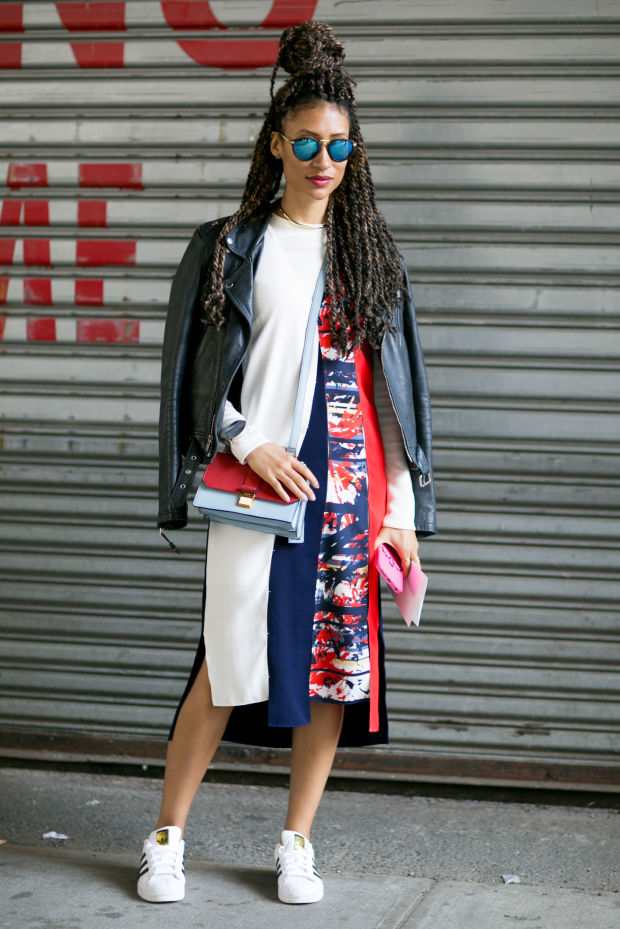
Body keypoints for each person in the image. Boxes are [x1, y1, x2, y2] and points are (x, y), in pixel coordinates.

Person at [138, 19, 436, 908]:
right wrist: (245, 442)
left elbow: (398, 398)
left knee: (335, 671)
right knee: (225, 663)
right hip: (259, 479)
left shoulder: (370, 253)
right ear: (277, 144)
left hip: (352, 485)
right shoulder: (233, 244)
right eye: (306, 142)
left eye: (340, 144)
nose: (324, 159)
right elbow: (194, 379)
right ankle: (167, 838)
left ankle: (297, 841)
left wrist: (403, 512)